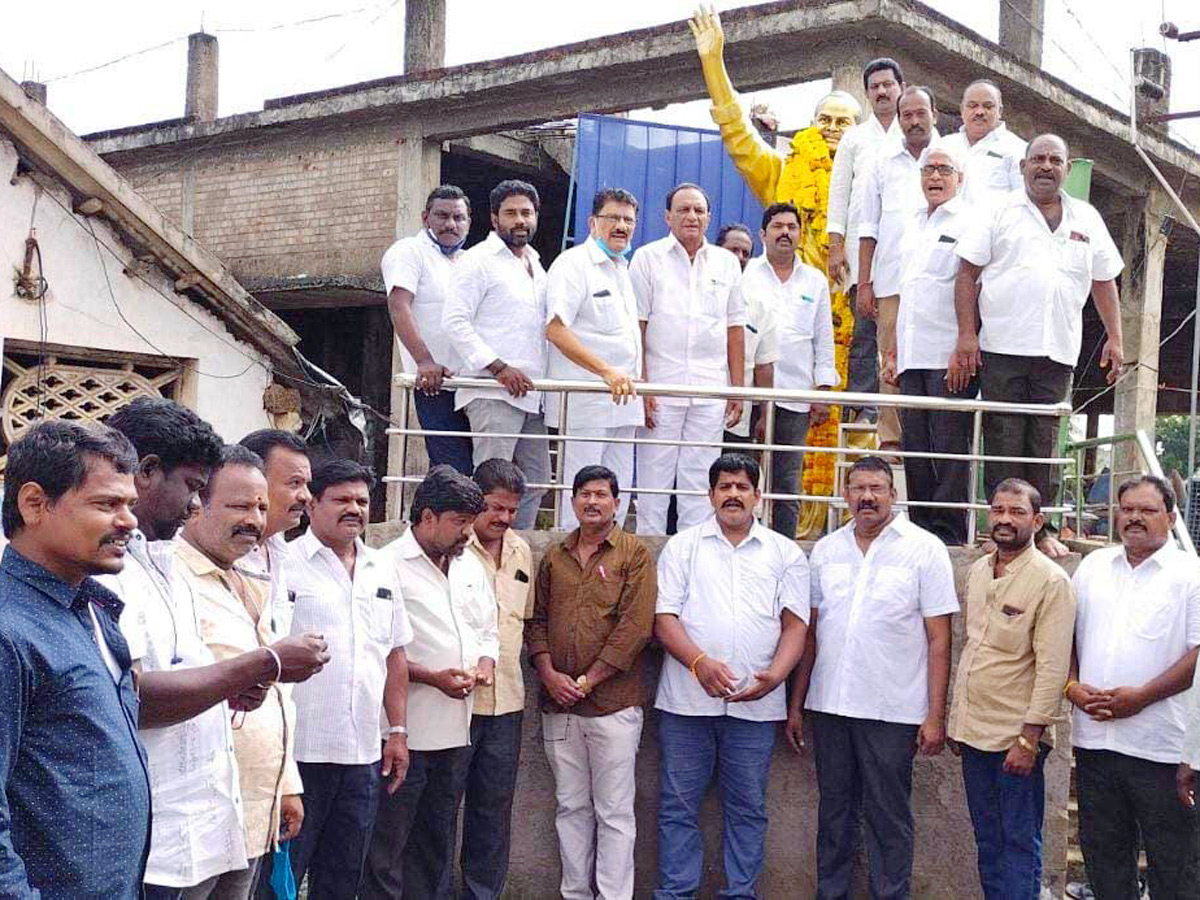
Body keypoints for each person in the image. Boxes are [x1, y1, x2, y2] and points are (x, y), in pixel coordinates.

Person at [100, 399, 328, 900]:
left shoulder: (165, 564)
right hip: (154, 840)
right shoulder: (111, 573)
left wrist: (236, 687)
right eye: (192, 487)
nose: (194, 505)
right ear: (146, 473)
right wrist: (265, 664)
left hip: (214, 824)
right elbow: (127, 700)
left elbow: (193, 676)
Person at [691, 5, 860, 538]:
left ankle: (820, 535)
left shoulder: (875, 183)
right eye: (825, 120)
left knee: (834, 459)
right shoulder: (785, 171)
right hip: (760, 384)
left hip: (853, 340)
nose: (832, 131)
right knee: (751, 469)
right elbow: (739, 136)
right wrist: (714, 64)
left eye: (845, 123)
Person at [787, 456, 959, 899]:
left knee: (888, 818)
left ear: (893, 494)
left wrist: (934, 716)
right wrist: (797, 705)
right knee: (834, 815)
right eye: (859, 488)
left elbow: (940, 640)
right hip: (831, 706)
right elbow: (812, 634)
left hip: (892, 710)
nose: (867, 497)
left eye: (877, 488)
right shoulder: (826, 550)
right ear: (845, 494)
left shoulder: (924, 549)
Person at [950, 134, 1125, 558]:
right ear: (1023, 166)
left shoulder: (1086, 218)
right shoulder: (999, 210)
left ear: (1067, 169)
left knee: (1045, 446)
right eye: (1038, 159)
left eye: (1055, 160)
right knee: (1004, 441)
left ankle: (1043, 534)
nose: (1046, 166)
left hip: (1058, 350)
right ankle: (1002, 532)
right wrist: (967, 334)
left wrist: (1116, 338)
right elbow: (966, 274)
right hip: (1002, 347)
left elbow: (1104, 281)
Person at [0, 421, 150, 898]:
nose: (129, 522)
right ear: (34, 504)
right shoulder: (8, 630)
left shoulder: (93, 609)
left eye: (130, 505)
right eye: (107, 504)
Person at [653, 453, 810, 898]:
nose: (733, 495)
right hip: (686, 704)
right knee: (678, 807)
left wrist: (775, 677)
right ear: (711, 495)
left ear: (758, 495)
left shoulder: (784, 552)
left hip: (756, 706)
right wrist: (699, 663)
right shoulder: (683, 547)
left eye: (742, 487)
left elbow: (796, 625)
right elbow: (664, 619)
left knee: (748, 809)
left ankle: (740, 894)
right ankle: (676, 894)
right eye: (725, 486)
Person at [364, 466, 496, 900]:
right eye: (459, 522)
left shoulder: (469, 564)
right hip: (404, 732)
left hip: (457, 730)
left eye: (470, 523)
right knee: (387, 845)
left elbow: (487, 628)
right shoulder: (385, 565)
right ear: (427, 517)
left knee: (435, 841)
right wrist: (432, 677)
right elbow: (379, 647)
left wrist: (483, 664)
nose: (468, 533)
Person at [179, 445, 305, 898]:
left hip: (252, 809)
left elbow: (276, 696)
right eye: (239, 507)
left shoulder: (249, 578)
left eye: (260, 508)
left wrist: (285, 785)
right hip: (191, 823)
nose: (254, 520)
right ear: (197, 504)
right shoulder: (171, 578)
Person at [527, 464, 656, 900]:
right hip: (559, 705)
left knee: (614, 811)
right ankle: (575, 894)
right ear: (573, 501)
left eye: (601, 494)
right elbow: (537, 621)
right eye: (584, 494)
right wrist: (548, 673)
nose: (592, 502)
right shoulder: (555, 556)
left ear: (617, 503)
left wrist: (587, 681)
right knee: (570, 807)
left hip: (613, 705)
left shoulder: (634, 554)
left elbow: (635, 629)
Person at [1067, 475, 1200, 899]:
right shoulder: (1093, 567)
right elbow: (1064, 636)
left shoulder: (1191, 574)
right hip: (1095, 742)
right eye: (1127, 509)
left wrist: (1141, 698)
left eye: (1147, 510)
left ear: (1171, 517)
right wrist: (1072, 686)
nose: (1135, 518)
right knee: (1103, 857)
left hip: (1161, 748)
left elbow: (1198, 656)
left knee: (1174, 865)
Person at [285, 460, 413, 899]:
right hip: (299, 755)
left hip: (362, 756)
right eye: (341, 499)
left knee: (343, 881)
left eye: (361, 500)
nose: (354, 509)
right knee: (281, 880)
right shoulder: (285, 564)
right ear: (312, 504)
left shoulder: (381, 567)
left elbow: (394, 654)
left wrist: (397, 731)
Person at [948, 479, 1076, 900]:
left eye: (1017, 512)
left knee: (1018, 840)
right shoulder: (979, 571)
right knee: (987, 838)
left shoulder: (1050, 581)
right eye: (998, 510)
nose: (1005, 519)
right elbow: (975, 650)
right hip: (974, 733)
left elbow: (1053, 668)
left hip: (1015, 739)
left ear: (1037, 522)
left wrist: (1028, 739)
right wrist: (957, 721)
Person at [632, 182, 745, 534]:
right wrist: (643, 387)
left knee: (699, 485)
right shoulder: (648, 258)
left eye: (698, 210)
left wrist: (737, 389)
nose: (691, 216)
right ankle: (648, 557)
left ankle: (692, 556)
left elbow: (735, 328)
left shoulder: (727, 263)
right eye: (683, 209)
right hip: (660, 389)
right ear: (668, 217)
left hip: (710, 390)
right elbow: (637, 326)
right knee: (653, 483)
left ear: (709, 217)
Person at [443, 179, 549, 529]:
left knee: (536, 480)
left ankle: (515, 548)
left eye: (526, 213)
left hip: (532, 393)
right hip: (492, 391)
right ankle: (478, 550)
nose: (520, 220)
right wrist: (499, 368)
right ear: (494, 218)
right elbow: (454, 321)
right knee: (491, 484)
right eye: (511, 213)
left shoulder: (536, 263)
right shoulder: (478, 260)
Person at [454, 459, 534, 899]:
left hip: (507, 704)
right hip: (455, 701)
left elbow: (527, 620)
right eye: (495, 507)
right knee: (441, 807)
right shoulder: (453, 547)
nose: (503, 518)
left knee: (493, 810)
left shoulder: (521, 551)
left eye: (511, 510)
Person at [545, 188, 644, 530]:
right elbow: (555, 329)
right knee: (581, 492)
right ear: (592, 223)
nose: (621, 226)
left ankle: (609, 556)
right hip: (586, 402)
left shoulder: (622, 270)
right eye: (613, 218)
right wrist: (606, 372)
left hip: (623, 403)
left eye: (628, 220)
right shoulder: (573, 265)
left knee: (617, 493)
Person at [739, 202, 836, 538]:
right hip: (749, 392)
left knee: (787, 480)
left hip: (796, 393)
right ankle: (741, 540)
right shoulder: (746, 275)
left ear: (800, 234)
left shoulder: (815, 281)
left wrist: (823, 391)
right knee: (742, 473)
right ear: (763, 234)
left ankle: (784, 548)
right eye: (777, 226)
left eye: (791, 227)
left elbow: (824, 338)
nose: (785, 233)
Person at [894, 144, 974, 545]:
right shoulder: (911, 222)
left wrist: (964, 344)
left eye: (944, 169)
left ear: (961, 178)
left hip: (948, 353)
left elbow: (974, 287)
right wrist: (893, 349)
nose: (935, 177)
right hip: (911, 354)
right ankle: (920, 529)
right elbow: (905, 290)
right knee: (915, 446)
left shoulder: (970, 221)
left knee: (949, 447)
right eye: (929, 170)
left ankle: (948, 534)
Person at [857, 85, 939, 456]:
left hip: (938, 283)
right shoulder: (881, 161)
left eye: (921, 113)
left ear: (934, 114)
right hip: (890, 280)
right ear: (899, 118)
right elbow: (868, 227)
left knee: (932, 360)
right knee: (888, 361)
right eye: (907, 115)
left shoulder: (950, 159)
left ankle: (928, 440)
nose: (915, 121)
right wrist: (864, 283)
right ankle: (890, 438)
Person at [827, 58, 905, 414]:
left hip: (903, 255)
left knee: (901, 335)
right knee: (863, 335)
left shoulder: (916, 133)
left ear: (901, 87)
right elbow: (839, 194)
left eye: (888, 84)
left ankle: (897, 412)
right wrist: (835, 247)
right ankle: (862, 411)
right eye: (875, 87)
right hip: (861, 256)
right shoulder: (854, 139)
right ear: (867, 93)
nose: (882, 91)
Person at [383, 184, 475, 473]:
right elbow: (399, 305)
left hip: (476, 385)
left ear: (469, 221)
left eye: (458, 217)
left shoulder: (471, 261)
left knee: (483, 470)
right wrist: (424, 360)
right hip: (436, 384)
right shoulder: (409, 251)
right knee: (452, 468)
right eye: (442, 216)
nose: (451, 224)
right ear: (426, 218)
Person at [238, 429, 312, 637]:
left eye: (306, 484)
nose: (306, 496)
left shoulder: (280, 553)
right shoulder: (217, 554)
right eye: (295, 483)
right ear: (254, 481)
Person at [722, 219, 778, 454]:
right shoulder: (692, 294)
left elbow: (764, 366)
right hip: (695, 409)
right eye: (733, 250)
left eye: (745, 252)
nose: (739, 257)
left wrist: (765, 416)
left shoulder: (760, 305)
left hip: (736, 417)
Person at [938, 80, 1027, 207]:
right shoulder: (944, 146)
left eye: (988, 106)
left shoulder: (1017, 149)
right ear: (962, 109)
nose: (979, 112)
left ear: (1000, 111)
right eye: (972, 106)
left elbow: (1023, 200)